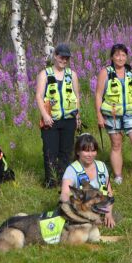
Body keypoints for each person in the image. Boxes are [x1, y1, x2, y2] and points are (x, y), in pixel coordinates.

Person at [95, 43, 132, 184]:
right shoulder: (105, 72)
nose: (120, 58)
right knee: (116, 145)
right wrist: (99, 116)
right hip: (113, 115)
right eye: (117, 55)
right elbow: (99, 95)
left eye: (123, 55)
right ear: (112, 57)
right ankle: (118, 176)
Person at [35, 43, 82, 188]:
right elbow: (38, 96)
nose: (64, 60)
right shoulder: (45, 74)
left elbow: (76, 96)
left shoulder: (72, 75)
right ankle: (51, 181)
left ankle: (64, 180)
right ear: (55, 56)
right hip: (51, 119)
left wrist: (78, 116)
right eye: (61, 57)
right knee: (50, 152)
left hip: (69, 119)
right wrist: (45, 116)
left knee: (66, 152)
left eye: (66, 58)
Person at [60, 133, 116, 228]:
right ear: (78, 152)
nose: (90, 155)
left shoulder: (101, 166)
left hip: (100, 207)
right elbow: (64, 194)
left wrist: (108, 213)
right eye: (86, 151)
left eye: (93, 151)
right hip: (82, 211)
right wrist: (74, 212)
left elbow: (108, 192)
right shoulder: (72, 169)